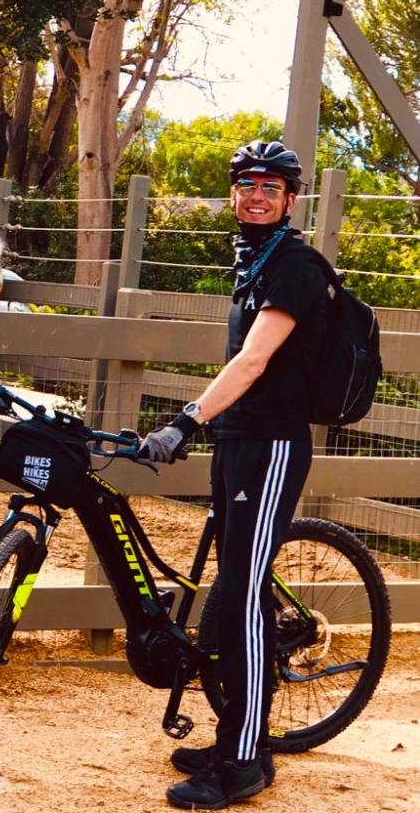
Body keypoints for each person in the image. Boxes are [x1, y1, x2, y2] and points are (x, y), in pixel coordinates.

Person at [139, 140, 329, 810]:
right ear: (234, 195)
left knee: (244, 597)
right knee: (231, 590)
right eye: (246, 184)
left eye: (270, 187)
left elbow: (250, 364)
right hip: (236, 441)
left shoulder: (296, 268)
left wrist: (183, 421)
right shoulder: (255, 263)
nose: (256, 194)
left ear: (289, 200)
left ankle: (245, 760)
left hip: (271, 446)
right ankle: (234, 735)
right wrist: (209, 427)